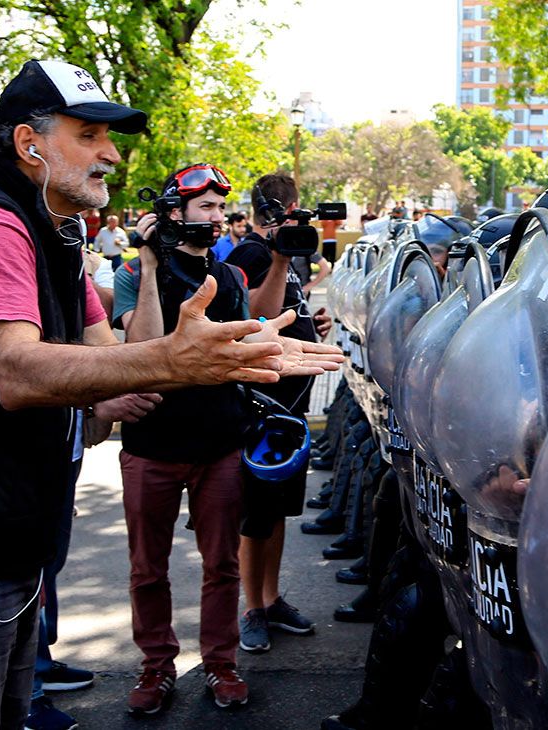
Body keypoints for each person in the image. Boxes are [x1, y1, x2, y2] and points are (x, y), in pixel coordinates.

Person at [0, 60, 340, 729]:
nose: (112, 154)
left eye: (111, 136)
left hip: (6, 547)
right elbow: (16, 371)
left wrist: (224, 358)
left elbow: (105, 361)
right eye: (90, 133)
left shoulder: (51, 227)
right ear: (27, 142)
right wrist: (177, 361)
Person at [113, 163, 326, 715]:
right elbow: (142, 348)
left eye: (218, 208)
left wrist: (284, 341)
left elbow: (251, 336)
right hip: (151, 446)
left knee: (222, 566)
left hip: (219, 445)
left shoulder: (229, 276)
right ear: (172, 213)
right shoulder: (135, 274)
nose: (216, 218)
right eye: (204, 208)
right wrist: (152, 260)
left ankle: (220, 663)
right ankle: (156, 668)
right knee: (147, 568)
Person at [226, 173, 327, 655]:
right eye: (293, 211)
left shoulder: (286, 254)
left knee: (279, 511)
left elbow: (288, 308)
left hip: (292, 407)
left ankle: (271, 599)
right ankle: (251, 609)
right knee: (254, 517)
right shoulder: (252, 252)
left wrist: (312, 318)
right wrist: (280, 257)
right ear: (280, 209)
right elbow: (253, 319)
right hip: (262, 407)